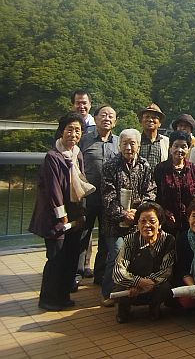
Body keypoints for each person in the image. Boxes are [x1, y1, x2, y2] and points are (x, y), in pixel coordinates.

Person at [29, 112, 91, 311]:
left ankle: (63, 296)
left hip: (73, 214)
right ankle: (48, 299)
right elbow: (53, 189)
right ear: (62, 131)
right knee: (56, 258)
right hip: (55, 217)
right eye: (70, 129)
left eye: (78, 130)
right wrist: (61, 215)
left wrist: (80, 211)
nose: (74, 134)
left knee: (71, 256)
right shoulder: (52, 157)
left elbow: (81, 182)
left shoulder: (77, 154)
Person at [101, 128, 156, 306]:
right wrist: (124, 214)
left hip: (138, 223)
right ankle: (109, 292)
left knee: (139, 255)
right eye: (125, 143)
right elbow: (108, 196)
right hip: (115, 222)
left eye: (133, 143)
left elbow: (150, 191)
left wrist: (137, 213)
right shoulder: (110, 166)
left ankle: (130, 291)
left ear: (139, 146)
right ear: (119, 145)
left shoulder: (144, 165)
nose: (129, 147)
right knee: (116, 253)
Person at [77, 105, 119, 286]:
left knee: (106, 236)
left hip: (109, 198)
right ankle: (76, 273)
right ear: (95, 118)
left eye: (111, 116)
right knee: (82, 235)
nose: (107, 118)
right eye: (103, 115)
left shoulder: (119, 142)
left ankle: (100, 274)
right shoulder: (84, 141)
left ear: (115, 122)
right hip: (87, 197)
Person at [113, 202, 175, 323]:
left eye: (152, 221)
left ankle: (154, 308)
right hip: (131, 286)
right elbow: (118, 271)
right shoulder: (129, 240)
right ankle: (123, 311)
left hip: (153, 285)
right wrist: (138, 282)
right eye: (143, 221)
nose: (147, 225)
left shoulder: (169, 240)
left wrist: (148, 284)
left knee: (165, 287)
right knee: (120, 286)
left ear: (160, 223)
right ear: (137, 224)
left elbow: (166, 271)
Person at [154, 131, 195, 235]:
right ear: (170, 148)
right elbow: (156, 195)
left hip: (190, 223)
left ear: (189, 148)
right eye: (176, 146)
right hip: (166, 223)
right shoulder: (161, 168)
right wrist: (164, 212)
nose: (179, 150)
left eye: (183, 146)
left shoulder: (194, 169)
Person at [138, 103, 169, 171]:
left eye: (154, 117)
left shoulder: (166, 142)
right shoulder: (136, 140)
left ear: (160, 123)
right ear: (141, 121)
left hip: (159, 180)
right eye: (147, 117)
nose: (150, 120)